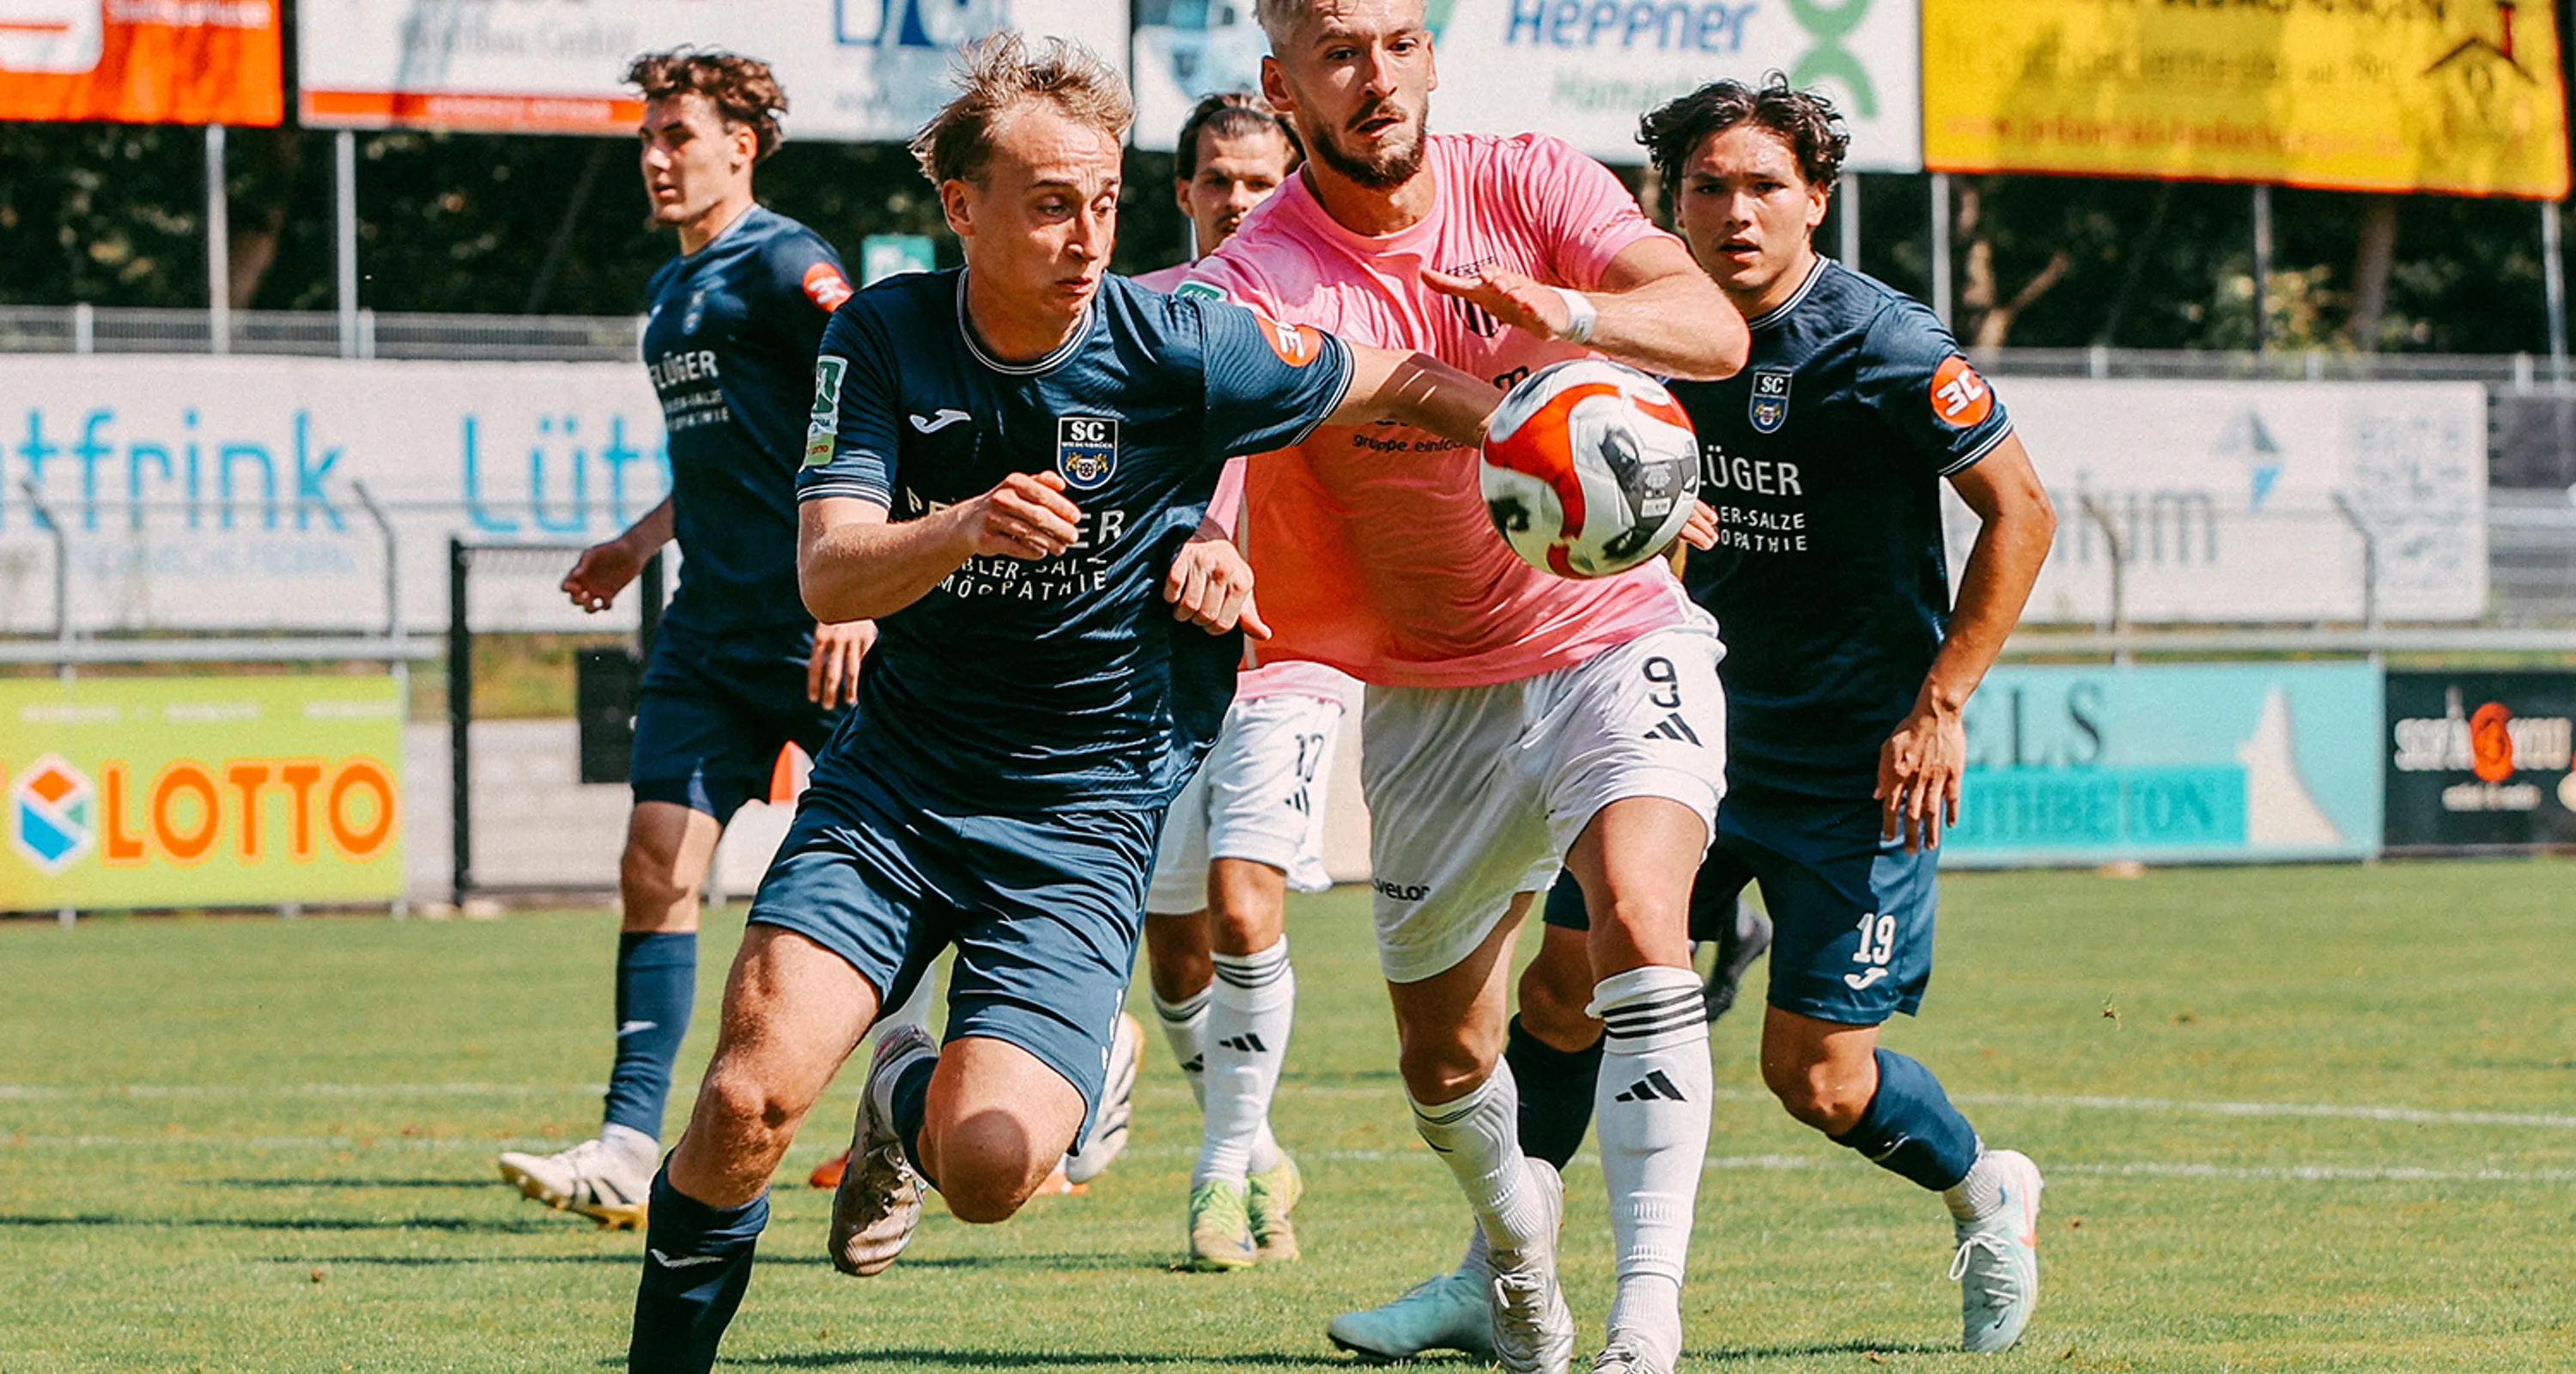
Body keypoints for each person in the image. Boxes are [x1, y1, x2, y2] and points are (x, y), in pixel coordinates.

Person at [623, 34, 1507, 1374]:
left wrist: (1542, 428)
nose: (1086, 236)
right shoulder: (882, 334)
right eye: (1047, 203)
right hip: (895, 793)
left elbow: (1380, 379)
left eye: (1101, 202)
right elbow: (828, 566)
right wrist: (966, 525)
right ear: (961, 205)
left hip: (1080, 820)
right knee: (744, 1103)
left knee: (988, 1171)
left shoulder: (1183, 341)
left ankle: (905, 1098)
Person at [1179, 3, 1749, 1370]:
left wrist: (1572, 311)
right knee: (1444, 1063)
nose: (1375, 77)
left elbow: (1710, 330)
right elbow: (1203, 440)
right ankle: (1514, 1267)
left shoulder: (1534, 180)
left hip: (1618, 631)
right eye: (1338, 52)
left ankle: (1644, 1326)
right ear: (1284, 81)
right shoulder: (1257, 277)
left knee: (1639, 927)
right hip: (1432, 696)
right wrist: (1205, 534)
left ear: (1429, 52)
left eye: (1397, 41)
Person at [1519, 76, 2060, 1355]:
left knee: (1814, 1078)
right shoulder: (1645, 338)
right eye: (1709, 188)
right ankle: (1506, 1275)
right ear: (1672, 205)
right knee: (1556, 992)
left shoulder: (1883, 345)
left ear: (1818, 198)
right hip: (1687, 732)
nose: (1737, 212)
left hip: (1855, 762)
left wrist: (1941, 704)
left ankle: (1985, 1186)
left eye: (1767, 186)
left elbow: (2024, 513)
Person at [498, 49, 869, 1231]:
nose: (657, 159)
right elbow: (725, 456)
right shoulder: (672, 289)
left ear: (741, 145)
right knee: (655, 862)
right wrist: (638, 538)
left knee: (909, 874)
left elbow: (882, 410)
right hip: (710, 626)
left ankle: (1063, 1045)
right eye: (648, 138)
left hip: (822, 627)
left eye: (679, 137)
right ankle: (622, 1142)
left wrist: (860, 589)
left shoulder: (788, 265)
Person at [1137, 91, 1353, 1272]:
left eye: (1261, 179)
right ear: (1183, 192)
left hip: (1290, 653)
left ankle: (1218, 1175)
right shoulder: (1142, 317)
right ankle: (1252, 1135)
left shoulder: (1326, 319)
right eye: (1217, 178)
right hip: (1162, 670)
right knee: (1170, 952)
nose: (1238, 199)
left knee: (1241, 904)